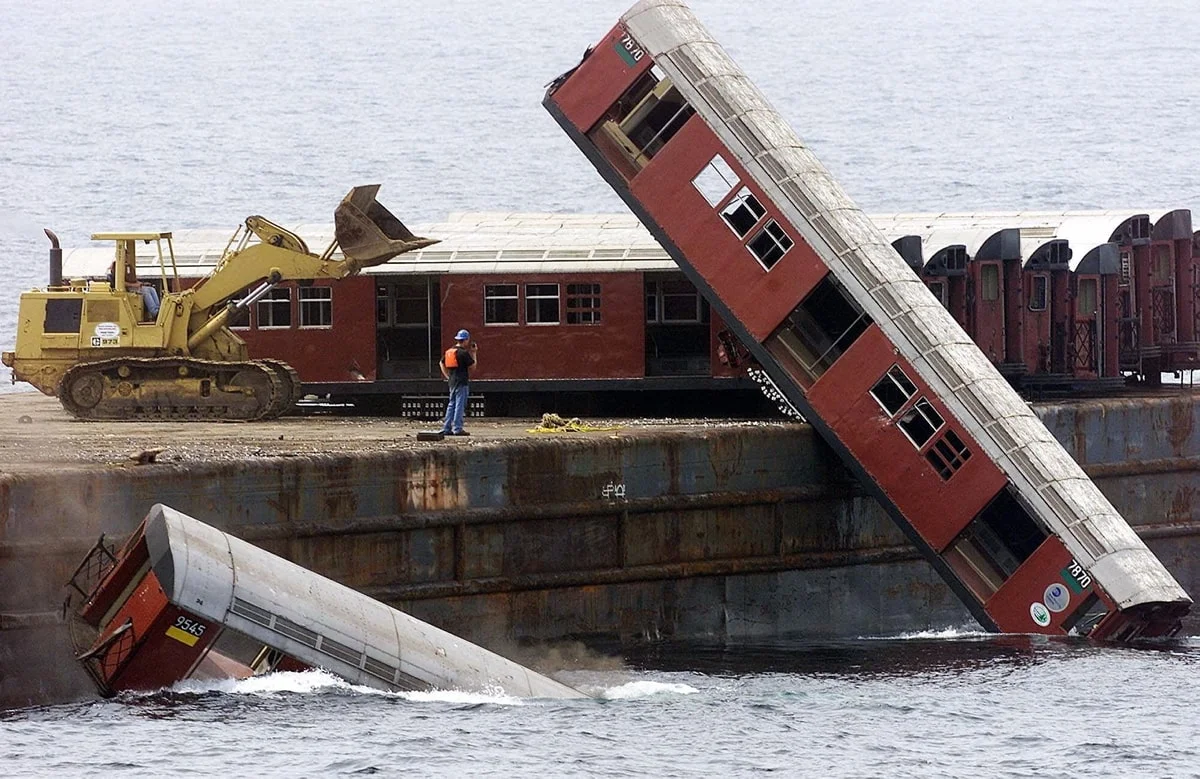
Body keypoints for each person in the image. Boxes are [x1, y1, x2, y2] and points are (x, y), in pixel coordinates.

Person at [439, 329, 478, 436]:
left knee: (451, 404)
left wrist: (447, 375)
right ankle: (457, 428)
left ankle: (447, 428)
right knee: (460, 405)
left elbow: (441, 363)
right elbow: (472, 367)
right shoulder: (463, 353)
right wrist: (474, 353)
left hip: (452, 382)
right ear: (465, 340)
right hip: (462, 382)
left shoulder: (449, 352)